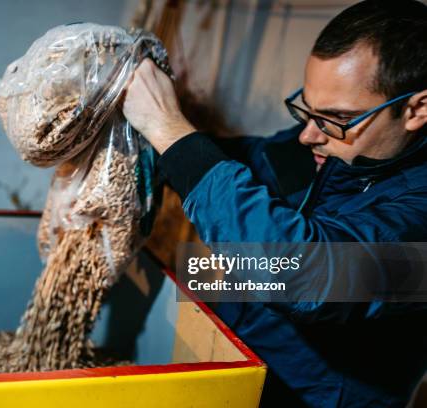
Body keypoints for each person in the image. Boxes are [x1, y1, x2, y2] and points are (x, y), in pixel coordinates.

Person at [121, 0, 427, 406]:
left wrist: (169, 131)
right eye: (307, 109)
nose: (307, 136)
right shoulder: (331, 145)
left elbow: (302, 274)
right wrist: (153, 153)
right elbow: (255, 159)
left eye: (336, 118)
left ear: (416, 109)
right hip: (239, 365)